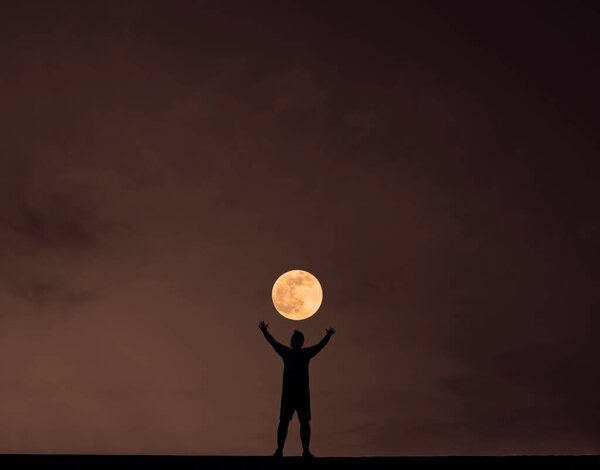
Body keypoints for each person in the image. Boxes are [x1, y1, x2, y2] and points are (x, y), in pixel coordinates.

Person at [259, 320, 336, 458]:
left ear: (299, 342)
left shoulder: (303, 354)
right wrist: (265, 332)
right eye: (292, 338)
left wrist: (328, 336)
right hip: (289, 393)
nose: (292, 340)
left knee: (303, 422)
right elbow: (273, 342)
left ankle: (305, 451)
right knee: (284, 422)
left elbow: (319, 346)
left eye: (294, 339)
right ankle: (280, 450)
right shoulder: (288, 353)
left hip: (301, 393)